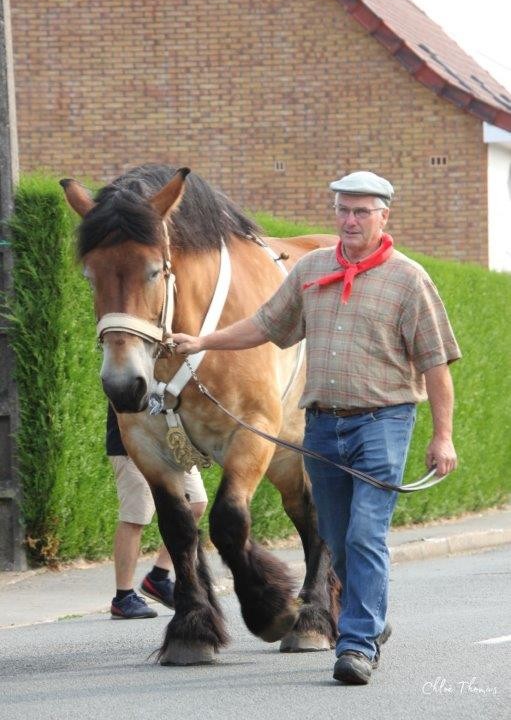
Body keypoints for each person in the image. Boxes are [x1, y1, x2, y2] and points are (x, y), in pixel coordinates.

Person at [171, 170, 461, 685]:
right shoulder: (310, 270)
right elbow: (264, 325)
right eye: (344, 211)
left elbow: (436, 364)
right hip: (323, 427)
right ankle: (367, 617)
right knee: (337, 537)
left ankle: (356, 645)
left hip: (383, 423)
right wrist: (203, 342)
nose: (350, 221)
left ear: (383, 216)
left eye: (362, 212)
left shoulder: (408, 278)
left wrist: (442, 436)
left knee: (367, 533)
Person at [106, 404, 208, 619]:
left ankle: (158, 578)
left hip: (174, 443)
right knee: (136, 516)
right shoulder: (133, 368)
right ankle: (123, 597)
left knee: (196, 503)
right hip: (134, 443)